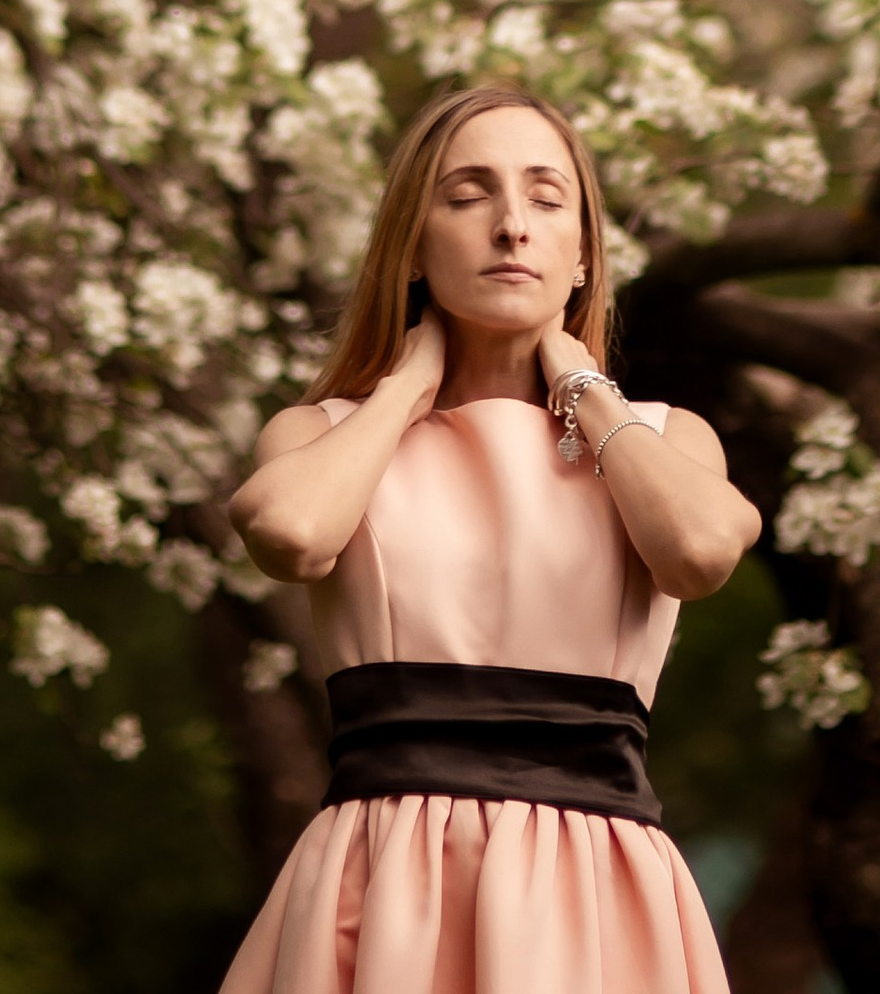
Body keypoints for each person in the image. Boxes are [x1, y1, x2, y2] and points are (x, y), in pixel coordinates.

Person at [222, 78, 762, 994]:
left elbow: (700, 552)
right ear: (414, 250)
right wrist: (405, 386)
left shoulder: (664, 441)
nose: (511, 225)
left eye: (546, 199)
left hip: (597, 890)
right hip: (386, 878)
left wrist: (585, 387)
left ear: (583, 256)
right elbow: (291, 533)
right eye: (468, 196)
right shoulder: (323, 435)